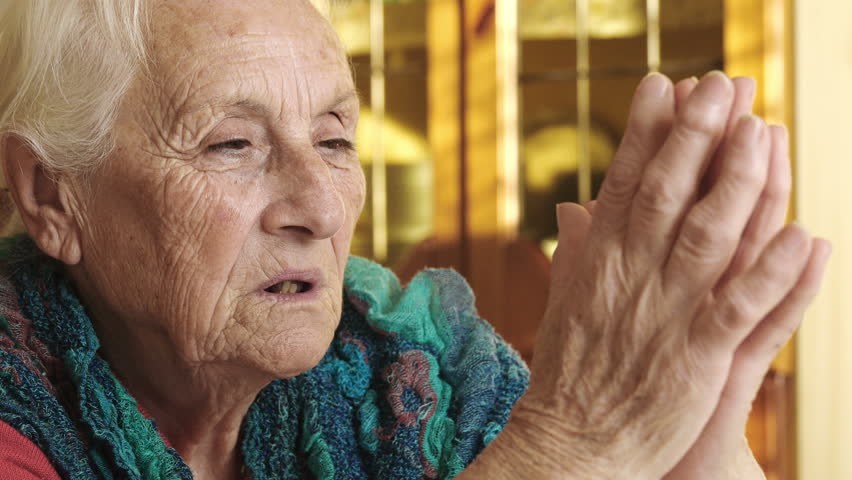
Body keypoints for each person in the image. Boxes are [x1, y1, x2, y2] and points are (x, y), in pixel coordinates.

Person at [0, 1, 830, 479]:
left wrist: (700, 436)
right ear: (50, 195)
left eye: (333, 140)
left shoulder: (419, 368)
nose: (321, 206)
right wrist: (576, 440)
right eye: (233, 144)